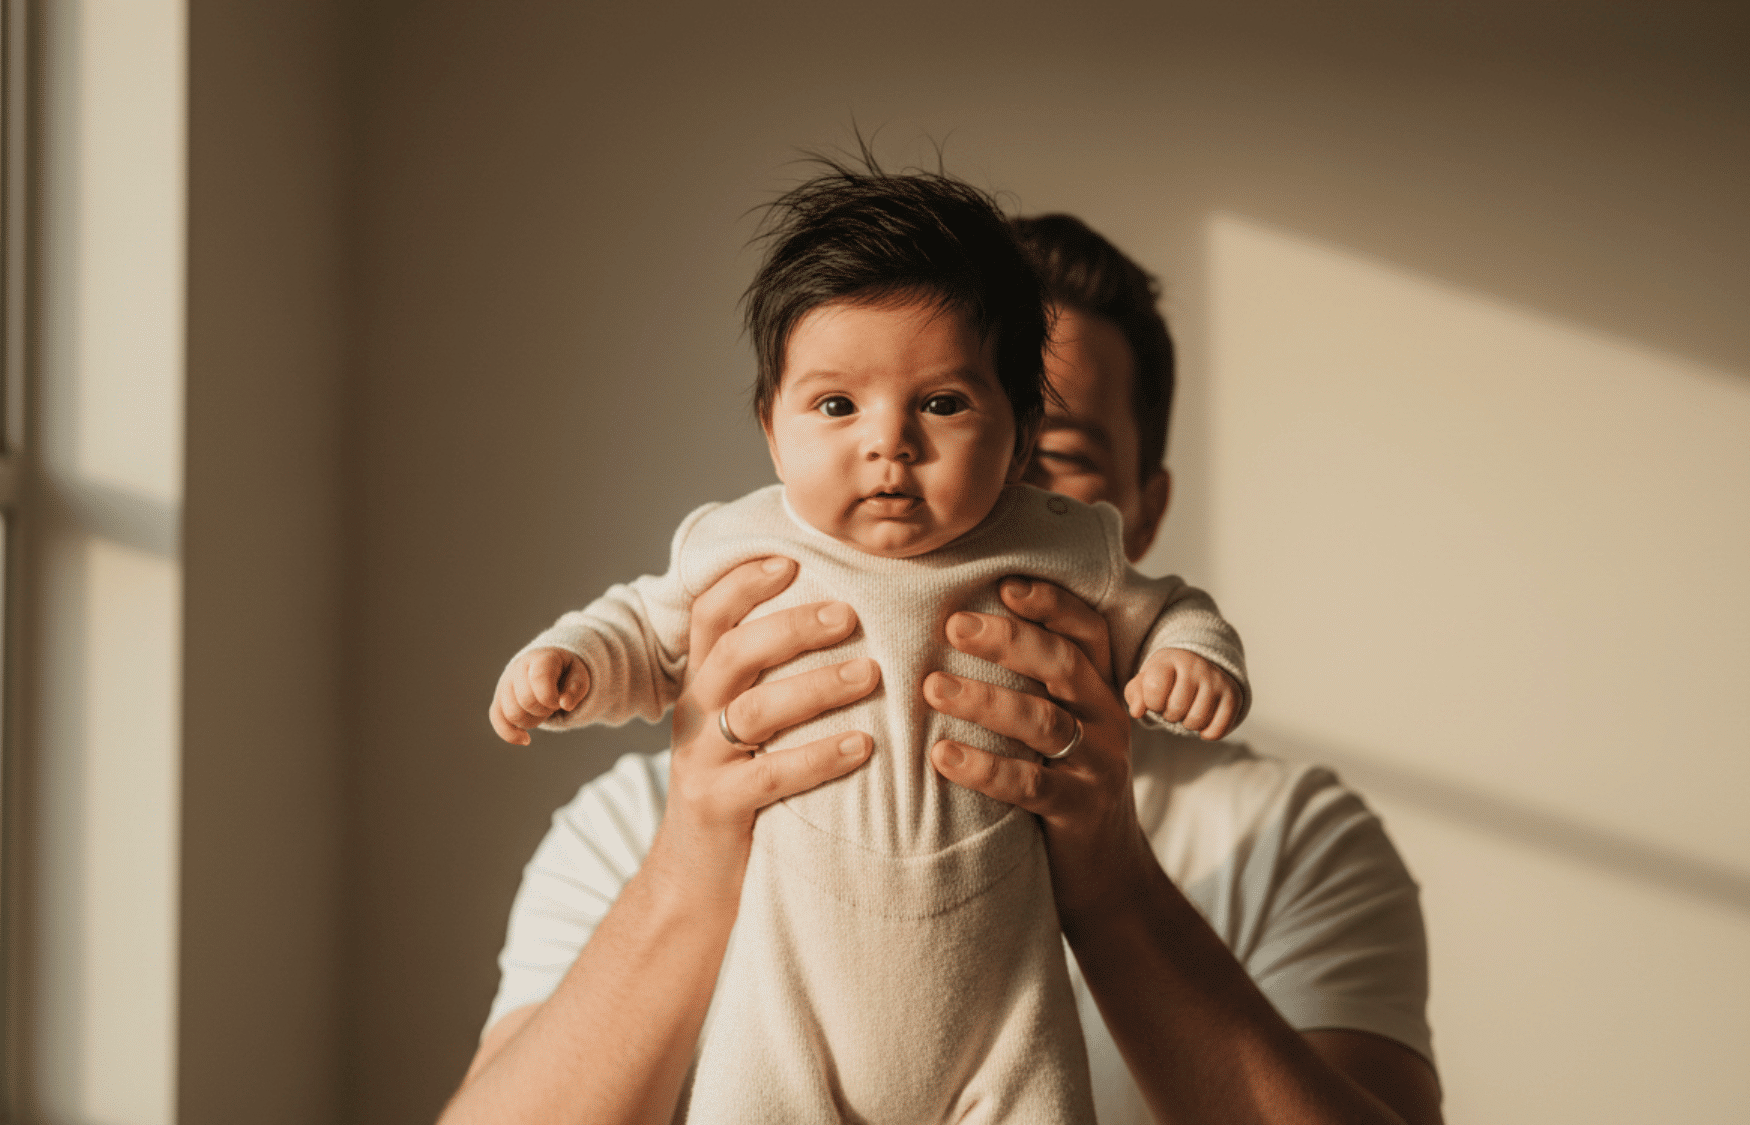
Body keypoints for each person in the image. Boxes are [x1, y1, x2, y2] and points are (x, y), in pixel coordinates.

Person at [442, 212, 1443, 1125]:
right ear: (778, 428)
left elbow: (1173, 617)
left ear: (1138, 508)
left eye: (1032, 445)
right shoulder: (627, 822)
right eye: (844, 405)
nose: (904, 463)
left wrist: (1110, 883)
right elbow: (635, 628)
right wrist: (686, 856)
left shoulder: (1288, 839)